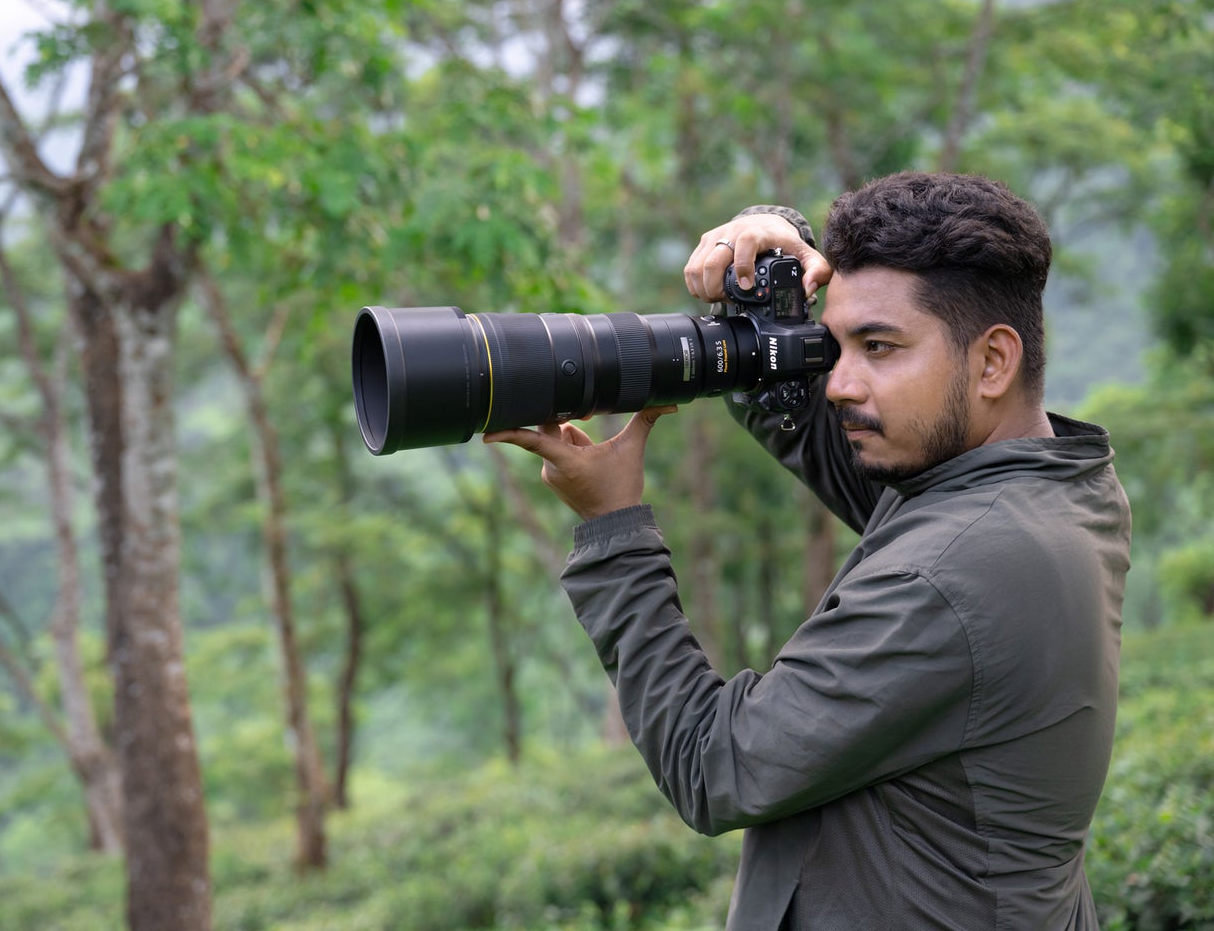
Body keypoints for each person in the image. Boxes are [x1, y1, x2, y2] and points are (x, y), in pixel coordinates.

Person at [484, 171, 1132, 930]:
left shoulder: (956, 570)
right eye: (834, 344)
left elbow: (713, 766)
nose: (838, 382)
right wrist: (767, 248)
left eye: (880, 348)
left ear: (993, 362)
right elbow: (819, 438)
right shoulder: (1048, 484)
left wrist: (613, 528)